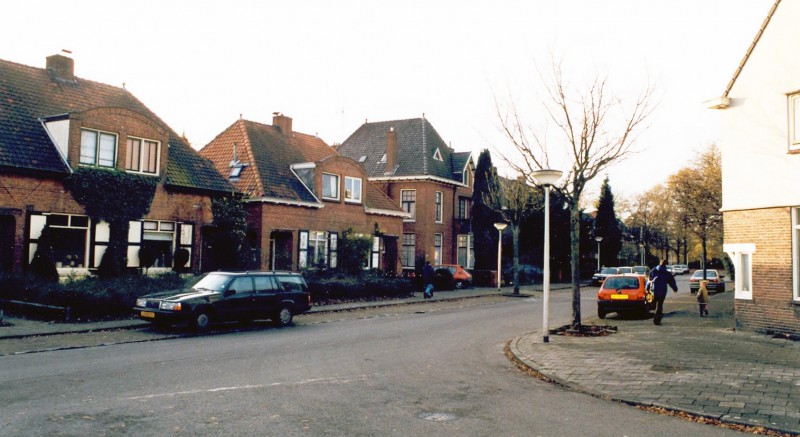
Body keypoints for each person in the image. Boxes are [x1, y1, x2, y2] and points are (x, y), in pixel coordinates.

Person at [648, 259, 678, 325]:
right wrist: (675, 288)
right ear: (666, 265)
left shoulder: (653, 271)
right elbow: (671, 281)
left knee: (654, 303)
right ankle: (657, 320)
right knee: (660, 305)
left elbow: (649, 280)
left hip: (653, 291)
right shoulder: (666, 273)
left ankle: (652, 308)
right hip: (662, 291)